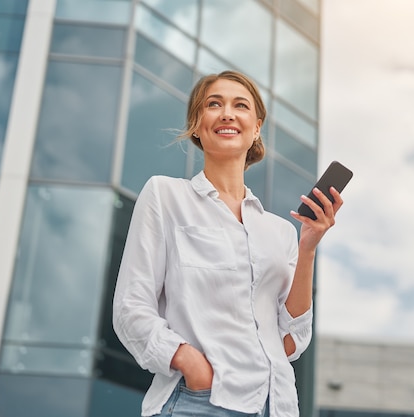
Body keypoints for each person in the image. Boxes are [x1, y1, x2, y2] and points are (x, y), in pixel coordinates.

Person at [112, 70, 343, 417]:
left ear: (256, 128)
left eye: (240, 106)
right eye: (213, 104)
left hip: (277, 405)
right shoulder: (165, 196)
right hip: (201, 402)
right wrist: (191, 364)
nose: (227, 113)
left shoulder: (280, 232)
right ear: (196, 124)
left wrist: (308, 246)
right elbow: (131, 307)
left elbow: (290, 342)